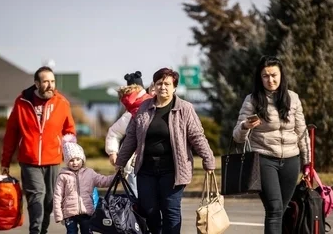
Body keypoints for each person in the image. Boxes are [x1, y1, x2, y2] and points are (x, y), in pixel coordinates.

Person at [115, 67, 215, 234]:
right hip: (146, 169)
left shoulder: (185, 108)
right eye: (159, 83)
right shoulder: (144, 108)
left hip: (173, 170)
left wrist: (208, 159)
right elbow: (131, 136)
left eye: (167, 83)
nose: (163, 87)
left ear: (174, 87)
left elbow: (197, 136)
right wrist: (120, 161)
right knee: (149, 210)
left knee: (170, 210)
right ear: (154, 86)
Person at [232, 55, 311, 234]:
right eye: (265, 76)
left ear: (281, 75)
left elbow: (302, 132)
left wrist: (307, 162)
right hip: (264, 160)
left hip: (291, 160)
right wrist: (245, 126)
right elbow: (237, 136)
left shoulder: (293, 98)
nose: (270, 80)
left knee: (281, 211)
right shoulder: (252, 100)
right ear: (260, 78)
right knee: (274, 209)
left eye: (274, 75)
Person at [0, 66, 76, 234]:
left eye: (53, 81)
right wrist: (5, 162)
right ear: (36, 83)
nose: (50, 85)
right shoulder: (21, 103)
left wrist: (71, 155)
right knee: (37, 196)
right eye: (46, 81)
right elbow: (11, 134)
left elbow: (69, 131)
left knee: (49, 201)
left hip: (53, 159)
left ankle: (42, 231)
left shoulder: (62, 103)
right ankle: (35, 231)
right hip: (29, 159)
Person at [53, 134, 114, 234]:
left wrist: (115, 178)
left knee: (87, 232)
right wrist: (59, 214)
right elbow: (57, 196)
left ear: (82, 159)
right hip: (69, 214)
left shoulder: (90, 173)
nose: (75, 163)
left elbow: (103, 180)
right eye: (71, 160)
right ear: (67, 162)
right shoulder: (63, 176)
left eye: (78, 159)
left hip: (87, 211)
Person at [105, 71, 152, 197]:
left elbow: (113, 132)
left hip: (132, 163)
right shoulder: (151, 106)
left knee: (137, 198)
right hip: (148, 162)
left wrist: (112, 152)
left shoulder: (130, 113)